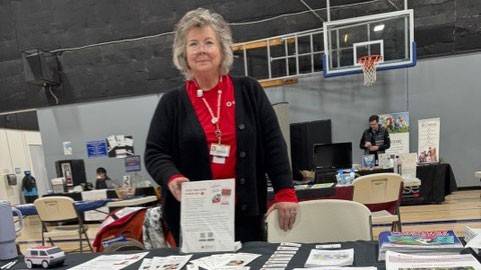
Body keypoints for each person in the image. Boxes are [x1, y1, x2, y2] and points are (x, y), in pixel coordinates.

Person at [144, 8, 298, 244]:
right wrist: (171, 177)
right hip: (196, 216)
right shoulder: (171, 102)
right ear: (184, 53)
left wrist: (285, 192)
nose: (201, 50)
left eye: (208, 42)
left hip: (246, 212)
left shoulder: (249, 90)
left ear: (222, 49)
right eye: (193, 44)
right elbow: (155, 153)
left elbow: (273, 144)